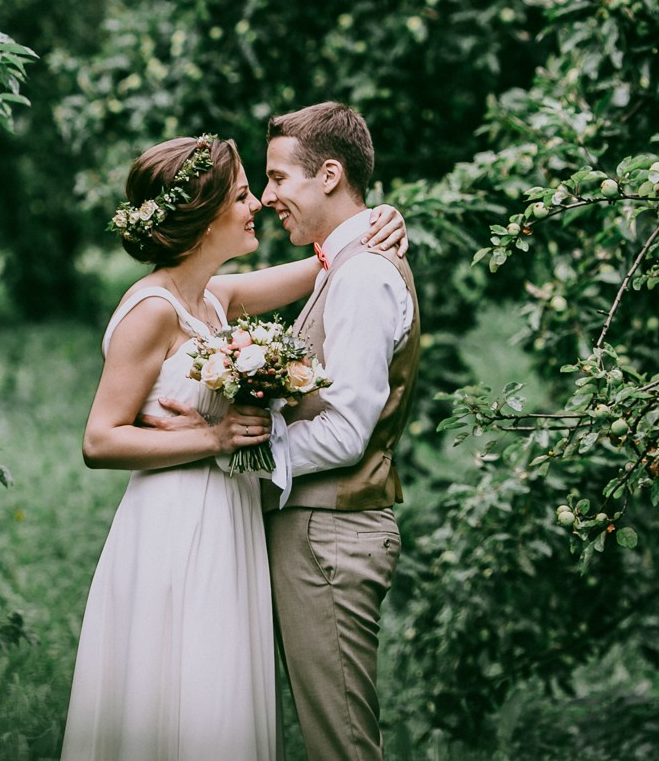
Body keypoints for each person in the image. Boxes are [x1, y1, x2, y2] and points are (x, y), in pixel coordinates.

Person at [60, 133, 406, 761]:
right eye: (245, 195)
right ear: (204, 213)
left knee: (223, 698)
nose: (259, 205)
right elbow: (99, 438)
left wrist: (378, 218)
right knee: (180, 695)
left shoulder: (216, 298)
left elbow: (332, 260)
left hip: (232, 517)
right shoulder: (153, 310)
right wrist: (213, 437)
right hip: (175, 521)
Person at [255, 102, 420, 761]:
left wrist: (233, 459)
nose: (268, 197)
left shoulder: (365, 275)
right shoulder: (342, 265)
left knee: (343, 745)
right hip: (319, 531)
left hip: (332, 537)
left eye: (277, 178)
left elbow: (348, 430)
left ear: (328, 174)